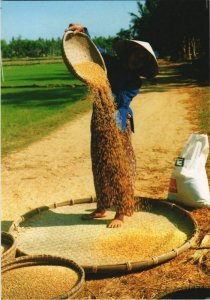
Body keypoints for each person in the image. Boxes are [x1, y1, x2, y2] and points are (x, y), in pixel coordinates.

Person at [66, 23, 158, 228]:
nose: (137, 60)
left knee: (120, 164)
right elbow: (94, 52)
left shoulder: (135, 82)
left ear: (143, 66)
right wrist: (84, 31)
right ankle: (102, 206)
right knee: (99, 161)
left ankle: (122, 211)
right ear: (129, 54)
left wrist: (103, 88)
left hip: (118, 122)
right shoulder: (111, 63)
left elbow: (120, 102)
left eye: (142, 59)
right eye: (136, 55)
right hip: (99, 117)